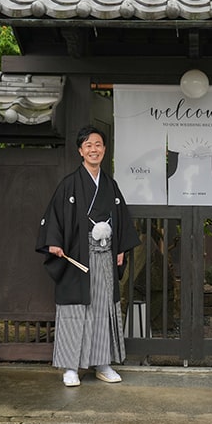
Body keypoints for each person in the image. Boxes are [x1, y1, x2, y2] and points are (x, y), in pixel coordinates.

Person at [36, 125, 141, 387]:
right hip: (77, 256)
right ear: (80, 151)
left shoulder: (110, 185)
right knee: (75, 310)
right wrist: (54, 242)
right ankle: (70, 367)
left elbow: (121, 221)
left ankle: (102, 363)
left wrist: (119, 249)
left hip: (104, 256)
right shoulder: (69, 184)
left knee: (103, 307)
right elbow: (55, 216)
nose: (94, 149)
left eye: (98, 145)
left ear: (104, 150)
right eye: (88, 145)